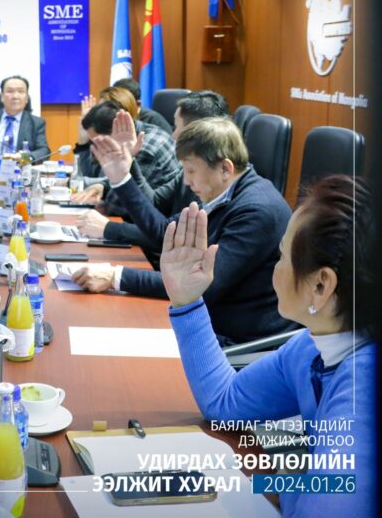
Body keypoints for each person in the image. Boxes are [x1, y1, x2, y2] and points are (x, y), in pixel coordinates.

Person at [160, 177, 376, 516]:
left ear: (321, 286)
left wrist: (289, 475)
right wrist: (187, 300)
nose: (275, 268)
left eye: (281, 256)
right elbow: (224, 402)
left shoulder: (363, 390)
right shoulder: (310, 347)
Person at [72, 117, 295, 345]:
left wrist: (115, 277)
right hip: (206, 321)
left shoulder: (257, 211)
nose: (186, 181)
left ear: (225, 168)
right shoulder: (224, 193)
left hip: (236, 341)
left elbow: (199, 285)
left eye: (191, 171)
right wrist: (121, 179)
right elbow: (164, 233)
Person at [76, 90, 231, 253]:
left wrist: (108, 228)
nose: (173, 136)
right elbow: (153, 203)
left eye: (177, 127)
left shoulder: (217, 184)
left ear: (200, 132)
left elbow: (166, 234)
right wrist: (129, 163)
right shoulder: (191, 173)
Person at [71, 99, 180, 216]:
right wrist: (103, 186)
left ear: (114, 132)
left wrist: (106, 191)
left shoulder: (145, 149)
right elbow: (119, 180)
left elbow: (118, 206)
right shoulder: (140, 129)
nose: (96, 147)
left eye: (97, 142)